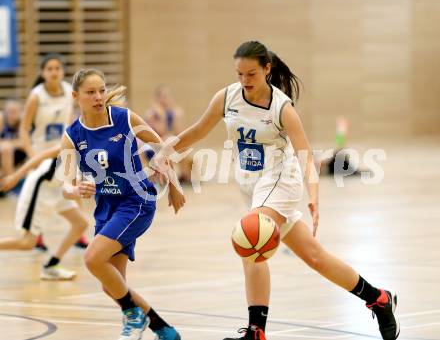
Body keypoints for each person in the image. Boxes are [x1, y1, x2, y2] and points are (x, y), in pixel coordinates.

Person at [162, 41, 399, 340]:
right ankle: (379, 299)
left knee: (250, 238)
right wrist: (164, 153)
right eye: (239, 74)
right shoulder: (226, 97)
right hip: (252, 185)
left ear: (267, 69)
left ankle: (256, 332)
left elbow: (305, 155)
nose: (245, 80)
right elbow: (196, 131)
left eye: (251, 74)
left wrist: (313, 196)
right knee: (314, 257)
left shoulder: (281, 107)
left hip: (280, 180)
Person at [59, 68, 184, 340]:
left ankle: (132, 316)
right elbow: (66, 185)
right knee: (111, 284)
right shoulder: (72, 135)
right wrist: (76, 188)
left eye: (102, 90)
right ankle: (164, 329)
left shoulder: (124, 118)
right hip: (106, 208)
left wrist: (173, 184)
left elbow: (161, 145)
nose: (98, 97)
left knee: (92, 258)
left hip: (136, 201)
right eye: (91, 92)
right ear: (75, 96)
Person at [0, 53, 89, 280]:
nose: (54, 72)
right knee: (26, 243)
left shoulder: (70, 98)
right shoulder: (36, 96)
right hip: (42, 166)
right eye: (49, 69)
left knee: (80, 224)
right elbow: (24, 130)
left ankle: (52, 264)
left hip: (56, 170)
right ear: (43, 72)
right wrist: (20, 171)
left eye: (58, 68)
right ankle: (44, 250)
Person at [145, 85, 192, 183]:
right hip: (151, 146)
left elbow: (179, 132)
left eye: (168, 96)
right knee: (169, 141)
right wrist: (162, 115)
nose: (166, 99)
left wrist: (177, 116)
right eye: (164, 96)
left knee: (183, 144)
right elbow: (161, 132)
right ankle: (167, 177)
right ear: (157, 98)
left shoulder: (172, 112)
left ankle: (184, 175)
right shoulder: (151, 114)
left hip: (165, 143)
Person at [0, 99, 26, 178]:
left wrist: (9, 143)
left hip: (18, 155)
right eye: (8, 112)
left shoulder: (23, 124)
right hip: (4, 156)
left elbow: (25, 143)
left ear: (20, 113)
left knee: (6, 148)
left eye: (14, 112)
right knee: (5, 148)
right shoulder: (3, 123)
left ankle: (10, 181)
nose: (11, 115)